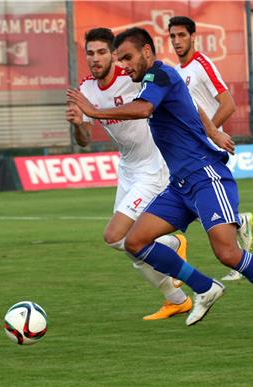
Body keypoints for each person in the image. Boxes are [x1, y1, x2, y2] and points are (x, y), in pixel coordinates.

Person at [67, 27, 253, 340]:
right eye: (119, 58)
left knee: (228, 254)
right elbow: (190, 106)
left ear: (148, 53)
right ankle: (205, 287)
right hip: (178, 186)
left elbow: (144, 109)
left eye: (127, 57)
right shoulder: (152, 79)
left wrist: (94, 112)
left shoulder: (160, 75)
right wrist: (212, 131)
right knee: (135, 243)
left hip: (206, 176)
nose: (124, 64)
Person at [66, 28, 191, 320]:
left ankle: (171, 247)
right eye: (90, 53)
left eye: (101, 52)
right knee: (130, 247)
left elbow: (154, 103)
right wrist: (77, 123)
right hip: (128, 168)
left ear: (113, 54)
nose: (95, 59)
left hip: (154, 164)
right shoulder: (86, 89)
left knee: (116, 235)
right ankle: (177, 299)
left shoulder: (132, 78)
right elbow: (84, 140)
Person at [168, 16, 253, 282]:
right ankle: (238, 221)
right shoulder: (175, 71)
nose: (177, 41)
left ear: (193, 36)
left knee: (202, 205)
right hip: (190, 150)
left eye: (182, 35)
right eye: (173, 36)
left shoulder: (202, 64)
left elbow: (227, 104)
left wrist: (209, 132)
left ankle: (234, 240)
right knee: (192, 202)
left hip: (208, 148)